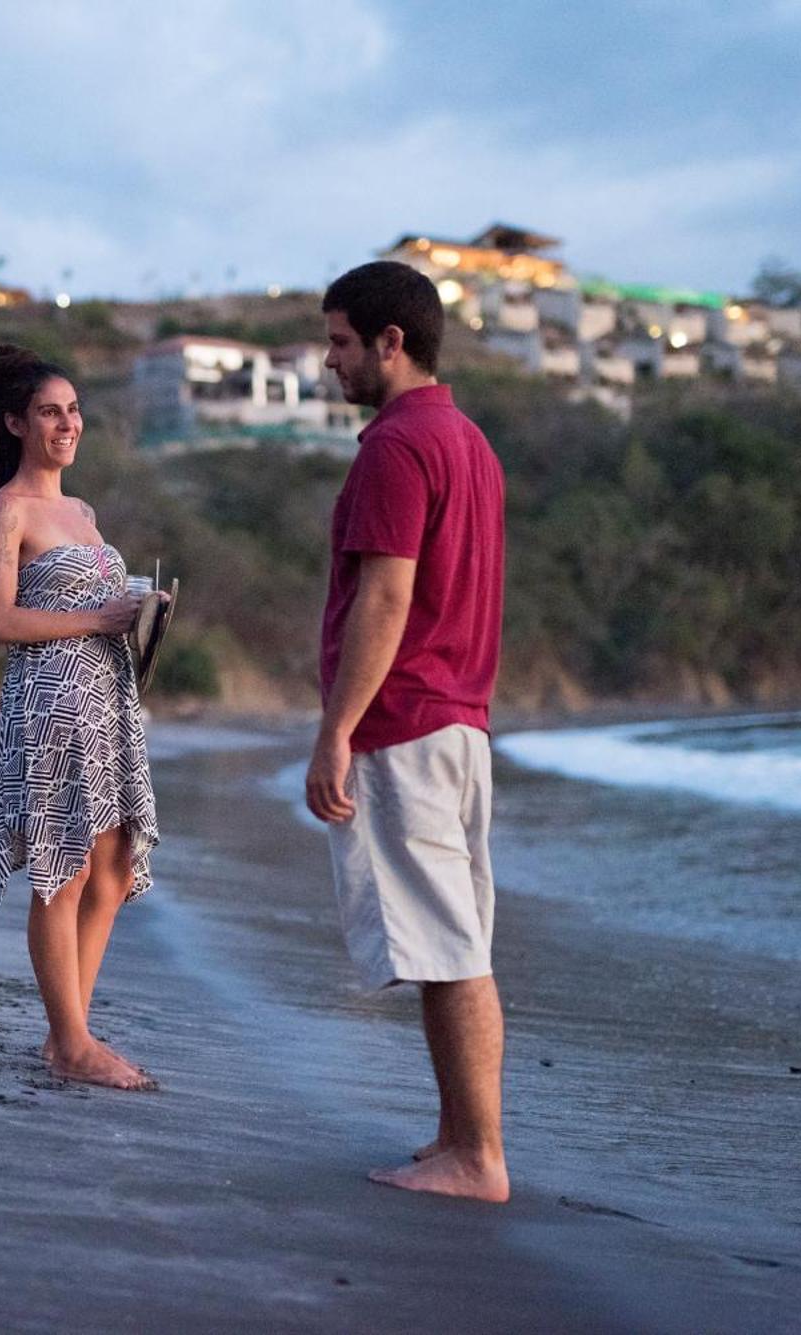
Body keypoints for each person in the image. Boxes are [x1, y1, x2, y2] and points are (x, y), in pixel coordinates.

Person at [305, 261, 510, 1201]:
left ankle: (480, 1156)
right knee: (449, 944)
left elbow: (386, 598)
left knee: (449, 948)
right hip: (460, 721)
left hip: (410, 719)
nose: (331, 360)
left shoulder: (396, 446)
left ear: (395, 342)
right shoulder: (469, 441)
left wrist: (335, 728)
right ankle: (455, 1134)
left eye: (343, 342)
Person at [0, 340, 161, 1092]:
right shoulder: (6, 511)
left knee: (112, 869)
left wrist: (144, 620)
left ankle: (68, 1032)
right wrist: (98, 618)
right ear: (16, 424)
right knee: (65, 867)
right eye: (50, 412)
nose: (67, 423)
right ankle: (73, 1040)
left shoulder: (82, 510)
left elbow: (101, 610)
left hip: (109, 698)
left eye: (75, 409)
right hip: (49, 699)